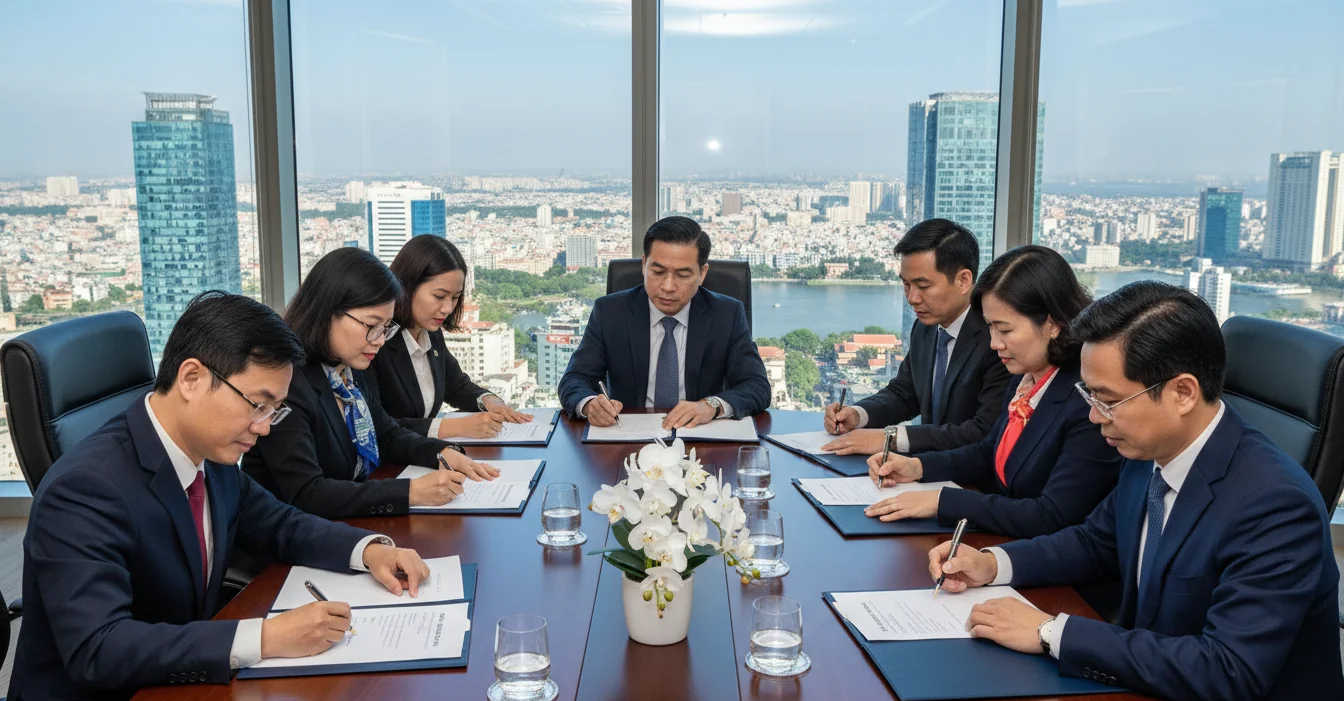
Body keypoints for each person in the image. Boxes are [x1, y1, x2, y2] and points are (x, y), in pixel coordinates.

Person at [927, 282, 1343, 701]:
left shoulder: (1275, 504)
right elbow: (1098, 541)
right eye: (1090, 394)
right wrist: (991, 563)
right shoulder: (1149, 449)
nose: (1092, 415)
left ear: (1183, 393)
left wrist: (1050, 632)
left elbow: (1228, 670)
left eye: (1107, 398)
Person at [5, 291, 435, 701]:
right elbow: (100, 649)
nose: (266, 426)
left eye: (275, 409)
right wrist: (266, 638)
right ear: (191, 378)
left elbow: (279, 523)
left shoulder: (211, 456)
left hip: (184, 694)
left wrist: (367, 550)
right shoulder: (85, 489)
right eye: (258, 404)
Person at [864, 245, 1122, 539]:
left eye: (1005, 330)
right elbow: (990, 451)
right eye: (990, 328)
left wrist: (942, 500)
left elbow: (1050, 515)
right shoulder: (1027, 375)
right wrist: (918, 467)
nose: (994, 343)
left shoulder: (1087, 402)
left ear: (1052, 324)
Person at [243, 247, 497, 519]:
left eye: (386, 327)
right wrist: (409, 492)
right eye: (372, 325)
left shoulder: (347, 369)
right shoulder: (287, 383)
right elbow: (308, 493)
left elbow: (386, 434)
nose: (379, 339)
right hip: (281, 550)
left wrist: (442, 452)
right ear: (328, 312)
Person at [558, 216, 770, 429]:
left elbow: (757, 386)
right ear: (644, 265)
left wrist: (712, 405)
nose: (668, 286)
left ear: (702, 273)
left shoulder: (726, 314)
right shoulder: (610, 312)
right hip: (626, 435)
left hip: (698, 436)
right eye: (658, 272)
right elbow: (575, 378)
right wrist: (589, 405)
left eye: (683, 275)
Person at [822, 218, 1011, 456]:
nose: (912, 298)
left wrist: (890, 439)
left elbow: (983, 431)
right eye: (906, 285)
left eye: (923, 286)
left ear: (964, 280)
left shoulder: (996, 340)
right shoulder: (926, 327)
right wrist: (858, 415)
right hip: (923, 472)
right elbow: (905, 393)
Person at [371, 234, 532, 440]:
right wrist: (452, 427)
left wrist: (488, 400)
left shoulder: (431, 333)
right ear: (407, 287)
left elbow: (455, 385)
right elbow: (377, 425)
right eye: (439, 296)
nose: (447, 308)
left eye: (455, 297)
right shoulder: (375, 343)